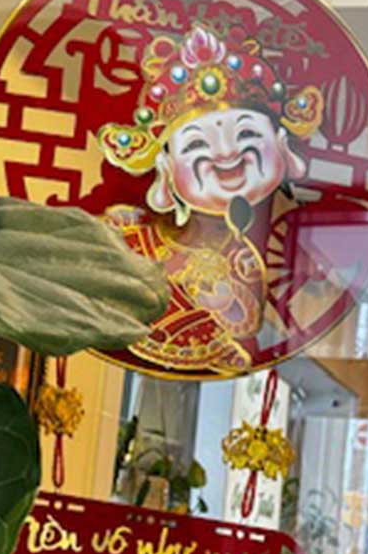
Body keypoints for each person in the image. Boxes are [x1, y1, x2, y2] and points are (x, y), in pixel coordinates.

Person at [98, 24, 323, 375]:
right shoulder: (129, 233)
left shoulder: (247, 259)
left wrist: (223, 302)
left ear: (282, 145)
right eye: (197, 145)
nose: (226, 154)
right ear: (166, 169)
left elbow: (244, 322)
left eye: (247, 133)